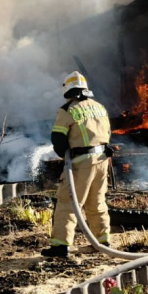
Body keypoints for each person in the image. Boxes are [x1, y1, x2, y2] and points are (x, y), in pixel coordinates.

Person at [41, 71, 113, 258]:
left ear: (68, 90)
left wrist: (66, 156)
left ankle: (61, 246)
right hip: (102, 159)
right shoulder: (99, 107)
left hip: (82, 162)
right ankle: (103, 240)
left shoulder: (67, 110)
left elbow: (58, 138)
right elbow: (107, 133)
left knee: (68, 202)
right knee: (97, 201)